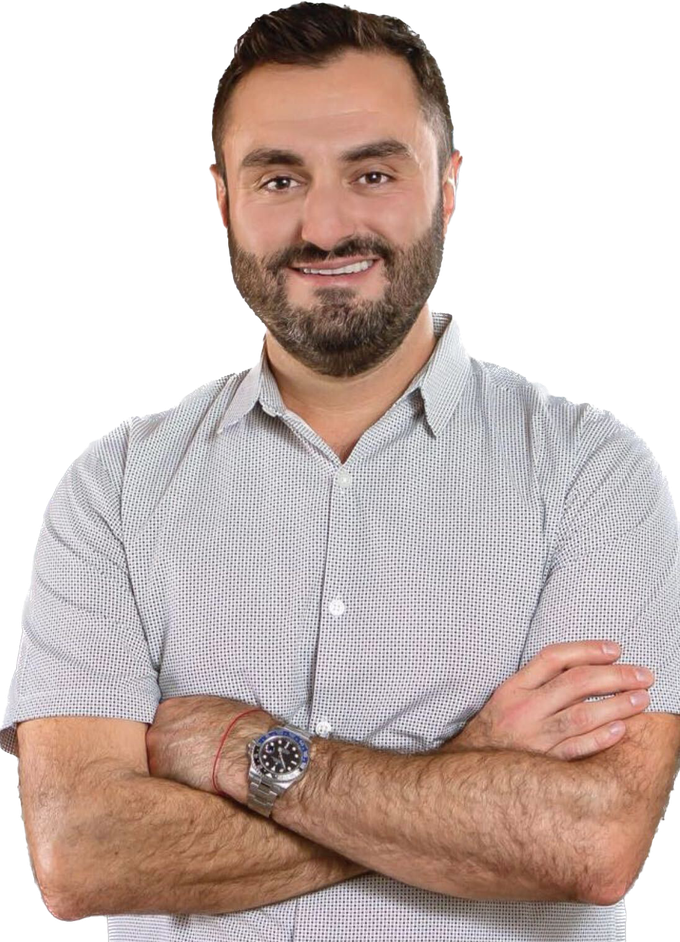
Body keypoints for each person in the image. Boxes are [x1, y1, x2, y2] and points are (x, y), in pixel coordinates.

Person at [2, 5, 678, 940]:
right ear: (222, 199)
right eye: (280, 178)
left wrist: (247, 755)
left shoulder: (592, 472)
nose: (326, 226)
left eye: (373, 172)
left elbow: (591, 841)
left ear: (447, 185)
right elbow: (84, 855)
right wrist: (466, 764)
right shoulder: (112, 490)